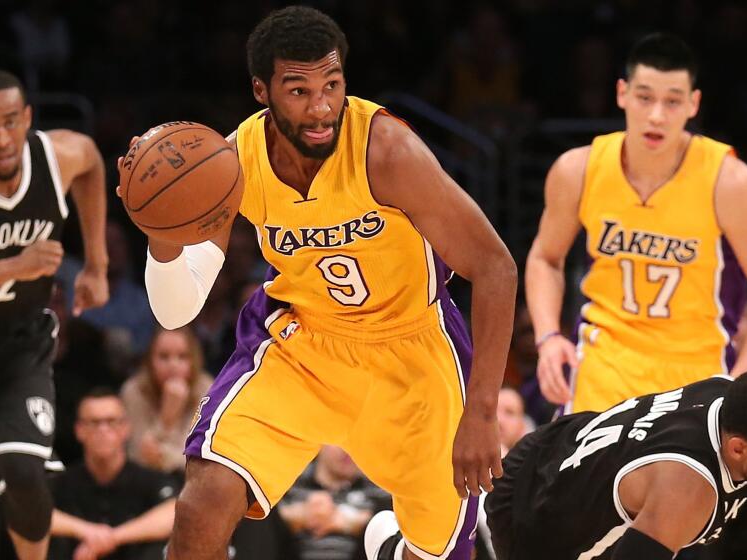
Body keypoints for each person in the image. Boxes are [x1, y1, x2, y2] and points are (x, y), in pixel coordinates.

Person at [117, 6, 517, 560]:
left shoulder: (387, 152)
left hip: (413, 355)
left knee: (438, 551)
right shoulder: (233, 164)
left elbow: (495, 265)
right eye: (298, 90)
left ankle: (395, 550)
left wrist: (483, 413)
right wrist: (161, 233)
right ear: (263, 90)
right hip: (303, 346)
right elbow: (174, 310)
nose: (321, 106)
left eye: (332, 85)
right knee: (201, 504)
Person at [524, 33, 747, 414]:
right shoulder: (578, 169)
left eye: (672, 101)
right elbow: (545, 258)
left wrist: (742, 381)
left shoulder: (728, 181)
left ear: (693, 104)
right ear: (622, 93)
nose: (656, 115)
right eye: (645, 97)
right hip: (602, 367)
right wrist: (548, 336)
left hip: (696, 379)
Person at [0, 69, 108, 560]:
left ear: (27, 118)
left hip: (20, 346)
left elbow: (92, 162)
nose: (1, 137)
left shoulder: (58, 156)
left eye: (10, 121)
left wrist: (96, 262)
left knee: (24, 472)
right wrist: (15, 265)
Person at [485, 366, 747, 559]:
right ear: (738, 450)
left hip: (560, 447)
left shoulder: (736, 402)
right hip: (532, 519)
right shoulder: (688, 491)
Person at [50, 388, 178, 560]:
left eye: (111, 421)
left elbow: (174, 513)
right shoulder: (62, 482)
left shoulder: (150, 479)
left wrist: (113, 537)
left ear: (125, 428)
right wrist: (86, 531)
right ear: (79, 430)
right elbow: (34, 514)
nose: (103, 430)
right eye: (94, 422)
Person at [120, 327, 214, 474]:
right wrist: (166, 418)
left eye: (182, 357)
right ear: (150, 361)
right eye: (164, 357)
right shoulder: (134, 391)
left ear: (194, 361)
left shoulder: (207, 389)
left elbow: (202, 461)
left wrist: (162, 455)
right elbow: (137, 457)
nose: (173, 365)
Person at [279, 445, 391, 560]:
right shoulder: (291, 479)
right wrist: (295, 516)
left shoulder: (378, 485)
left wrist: (351, 523)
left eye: (354, 440)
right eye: (339, 442)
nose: (347, 450)